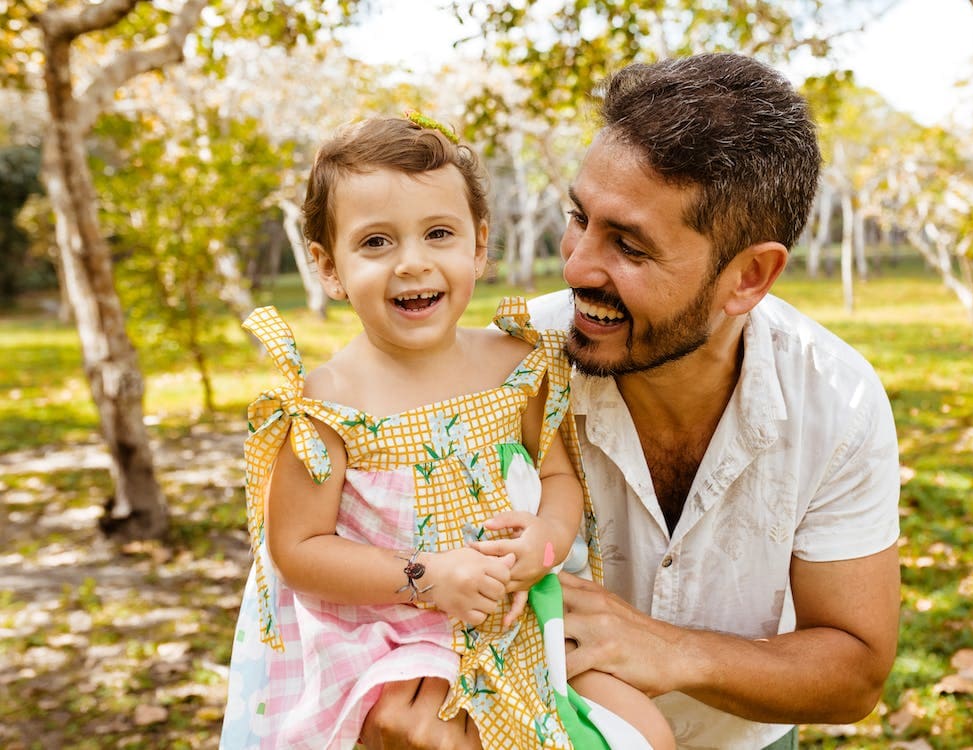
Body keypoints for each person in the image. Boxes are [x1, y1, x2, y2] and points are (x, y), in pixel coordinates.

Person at [365, 53, 901, 750]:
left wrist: (672, 651)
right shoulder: (498, 370)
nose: (577, 265)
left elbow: (855, 673)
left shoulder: (838, 400)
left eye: (629, 246)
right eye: (578, 218)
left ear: (748, 276)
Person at [218, 114, 673, 750]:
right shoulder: (323, 403)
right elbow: (297, 548)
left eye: (438, 233)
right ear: (328, 267)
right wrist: (430, 577)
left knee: (646, 732)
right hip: (396, 636)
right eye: (375, 242)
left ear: (478, 246)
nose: (412, 263)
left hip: (516, 608)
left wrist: (543, 542)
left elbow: (558, 477)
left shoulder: (518, 367)